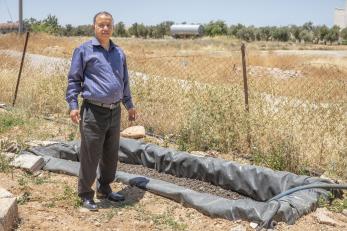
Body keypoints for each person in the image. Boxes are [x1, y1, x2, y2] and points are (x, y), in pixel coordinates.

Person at [66, 11, 136, 211]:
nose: (105, 28)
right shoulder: (84, 50)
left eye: (108, 25)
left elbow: (124, 82)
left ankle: (104, 188)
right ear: (94, 27)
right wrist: (72, 105)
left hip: (115, 112)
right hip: (93, 112)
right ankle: (86, 194)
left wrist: (129, 105)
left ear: (113, 27)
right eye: (101, 25)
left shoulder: (118, 53)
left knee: (110, 154)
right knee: (90, 154)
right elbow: (74, 80)